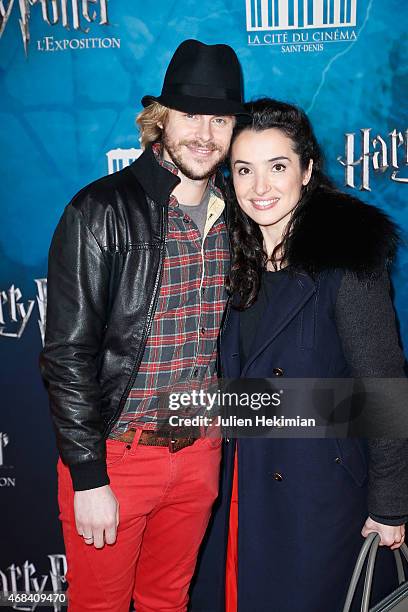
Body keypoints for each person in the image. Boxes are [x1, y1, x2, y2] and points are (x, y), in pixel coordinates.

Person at [39, 39, 249, 612]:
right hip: (117, 458)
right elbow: (67, 353)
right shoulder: (100, 210)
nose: (204, 133)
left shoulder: (242, 220)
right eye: (189, 115)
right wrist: (88, 476)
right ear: (160, 120)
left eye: (220, 119)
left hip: (201, 454)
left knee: (167, 603)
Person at [190, 98, 408, 612]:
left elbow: (382, 389)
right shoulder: (226, 255)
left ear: (307, 171)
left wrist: (391, 506)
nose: (260, 187)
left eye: (278, 166)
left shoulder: (347, 259)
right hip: (237, 484)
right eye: (245, 169)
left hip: (319, 491)